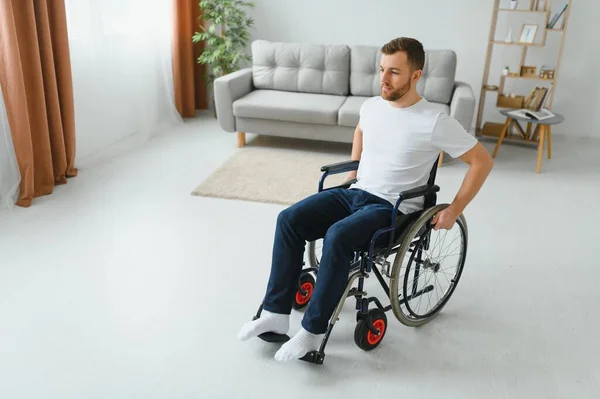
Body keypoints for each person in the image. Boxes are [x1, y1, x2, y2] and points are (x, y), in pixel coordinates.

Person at [237, 37, 494, 362]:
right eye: (381, 70)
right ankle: (275, 313)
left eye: (394, 73)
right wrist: (353, 171)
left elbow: (482, 161)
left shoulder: (435, 120)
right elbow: (361, 131)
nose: (383, 80)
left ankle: (313, 333)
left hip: (392, 209)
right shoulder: (372, 106)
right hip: (356, 193)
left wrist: (455, 209)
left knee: (338, 236)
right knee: (289, 220)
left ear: (416, 76)